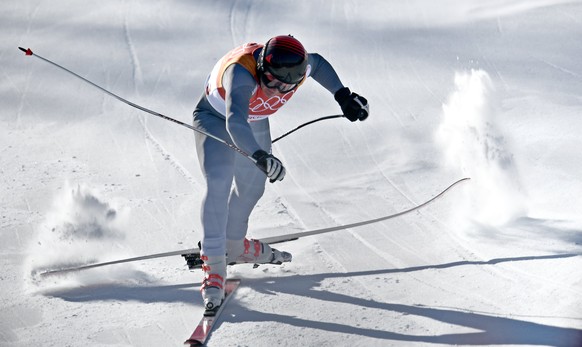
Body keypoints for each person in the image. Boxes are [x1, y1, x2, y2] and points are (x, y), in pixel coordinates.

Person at [192, 34, 369, 311]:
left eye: (287, 87)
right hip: (216, 117)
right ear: (262, 68)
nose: (277, 90)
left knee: (253, 186)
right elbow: (235, 121)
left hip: (255, 119)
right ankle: (213, 264)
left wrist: (343, 96)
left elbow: (319, 64)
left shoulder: (298, 68)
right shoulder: (241, 74)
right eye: (272, 82)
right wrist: (259, 154)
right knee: (219, 179)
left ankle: (234, 244)